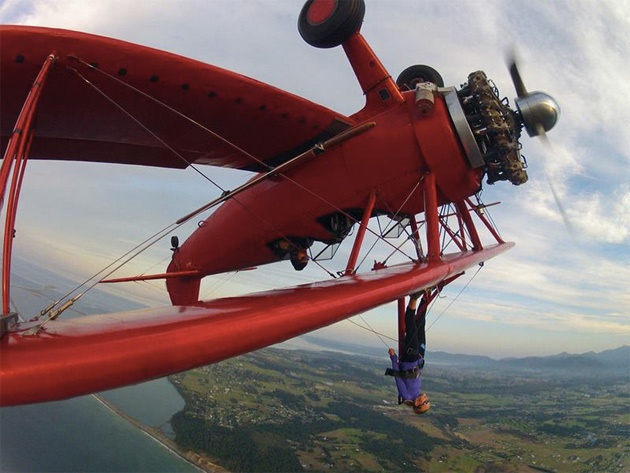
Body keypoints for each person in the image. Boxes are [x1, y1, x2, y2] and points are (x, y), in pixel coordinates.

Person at [386, 290, 430, 414]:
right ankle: (425, 296)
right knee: (420, 325)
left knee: (412, 328)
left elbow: (398, 377)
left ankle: (414, 299)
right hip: (418, 358)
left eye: (424, 402)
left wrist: (393, 357)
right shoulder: (415, 393)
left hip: (409, 358)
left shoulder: (406, 395)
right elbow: (416, 375)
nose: (426, 399)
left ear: (416, 404)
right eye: (427, 401)